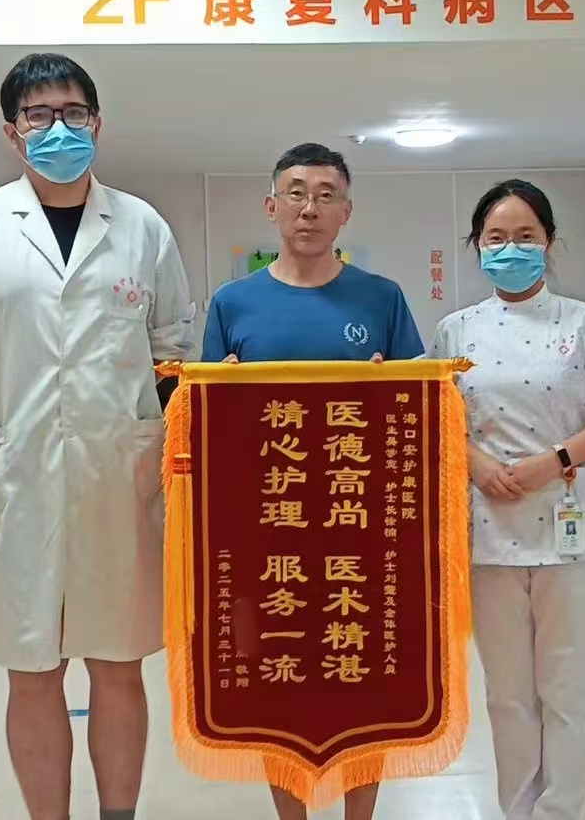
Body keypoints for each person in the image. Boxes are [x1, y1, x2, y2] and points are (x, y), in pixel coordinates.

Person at [0, 53, 195, 820]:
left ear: (98, 124)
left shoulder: (142, 227)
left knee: (118, 662)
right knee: (31, 670)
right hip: (17, 475)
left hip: (117, 474)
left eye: (73, 113)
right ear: (12, 130)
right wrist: (3, 400)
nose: (58, 128)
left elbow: (171, 349)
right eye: (39, 115)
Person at [202, 142, 424, 820]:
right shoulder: (232, 303)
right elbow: (204, 423)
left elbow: (419, 411)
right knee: (278, 678)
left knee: (366, 678)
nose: (309, 208)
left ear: (345, 212)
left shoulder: (382, 298)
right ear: (271, 206)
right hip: (266, 527)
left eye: (326, 195)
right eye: (296, 193)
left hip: (360, 525)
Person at [429, 179, 585, 820]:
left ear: (548, 242)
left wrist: (552, 462)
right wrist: (478, 466)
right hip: (488, 528)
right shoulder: (455, 331)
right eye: (496, 237)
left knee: (568, 686)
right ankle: (518, 809)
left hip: (569, 522)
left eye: (525, 236)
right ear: (477, 246)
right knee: (508, 693)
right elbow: (437, 417)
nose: (510, 248)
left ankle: (560, 811)